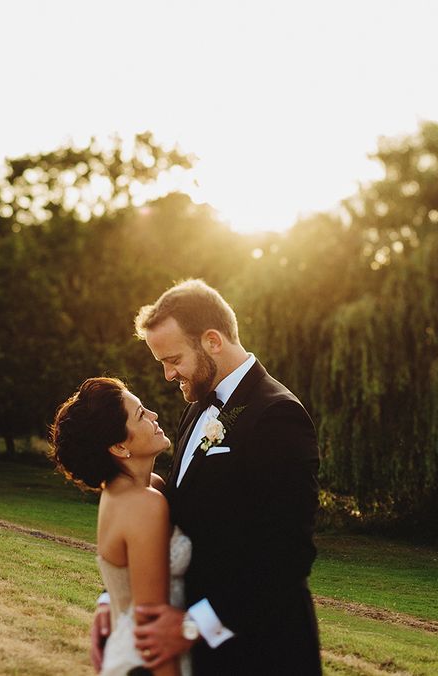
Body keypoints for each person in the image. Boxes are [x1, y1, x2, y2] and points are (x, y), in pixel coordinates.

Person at [110, 278, 322, 675]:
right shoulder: (197, 406)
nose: (168, 376)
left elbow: (287, 557)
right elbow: (170, 518)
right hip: (207, 658)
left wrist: (193, 625)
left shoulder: (279, 416)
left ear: (212, 341)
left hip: (263, 652)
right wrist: (115, 599)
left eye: (173, 360)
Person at [50, 377, 190, 676]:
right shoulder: (143, 504)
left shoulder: (138, 488)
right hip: (145, 663)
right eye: (141, 414)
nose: (153, 416)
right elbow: (151, 627)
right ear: (118, 446)